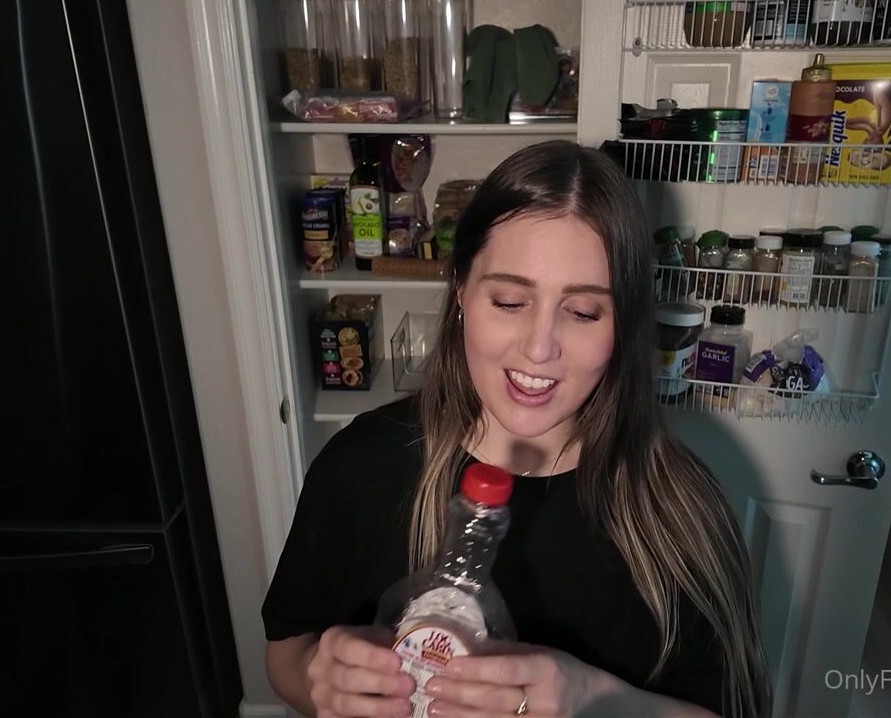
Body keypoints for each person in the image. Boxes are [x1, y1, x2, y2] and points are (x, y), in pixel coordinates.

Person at [263, 141, 770, 718]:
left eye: (583, 312)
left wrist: (599, 701)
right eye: (509, 301)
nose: (538, 347)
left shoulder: (682, 513)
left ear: (623, 324)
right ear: (460, 288)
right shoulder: (357, 467)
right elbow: (287, 651)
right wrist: (322, 681)